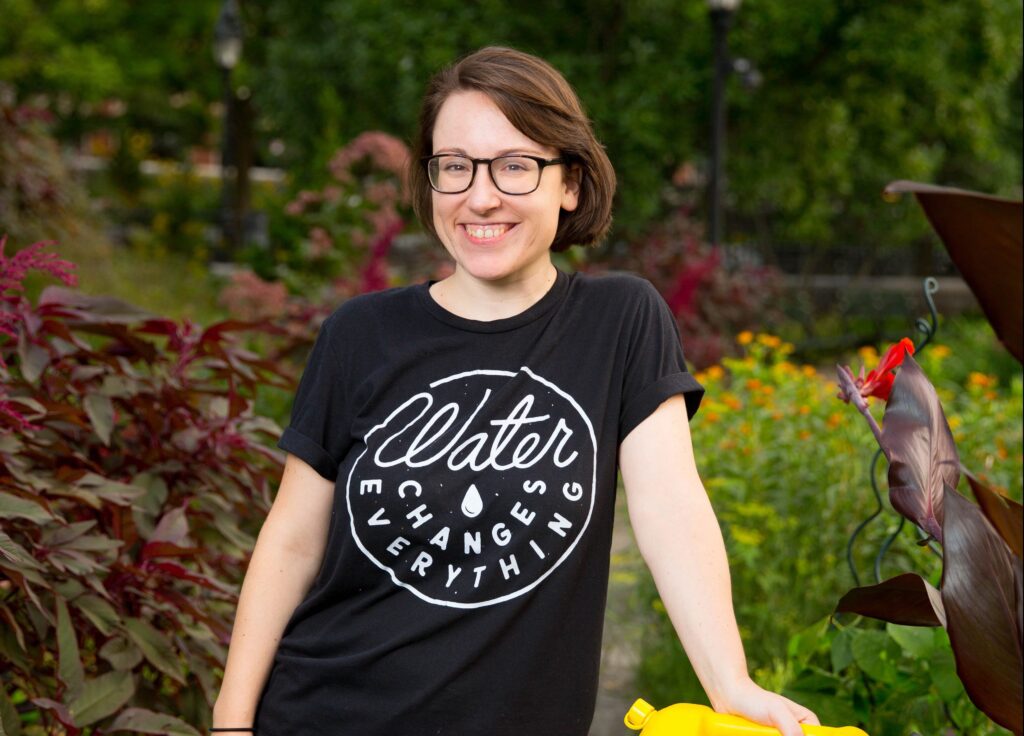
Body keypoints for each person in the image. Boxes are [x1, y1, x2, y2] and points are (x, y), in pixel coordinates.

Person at [212, 46, 819, 736]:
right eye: (455, 166)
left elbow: (670, 508)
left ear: (570, 183)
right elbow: (292, 541)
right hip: (325, 714)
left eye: (514, 165)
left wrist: (729, 683)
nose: (480, 196)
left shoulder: (620, 321)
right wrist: (231, 721)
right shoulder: (360, 334)